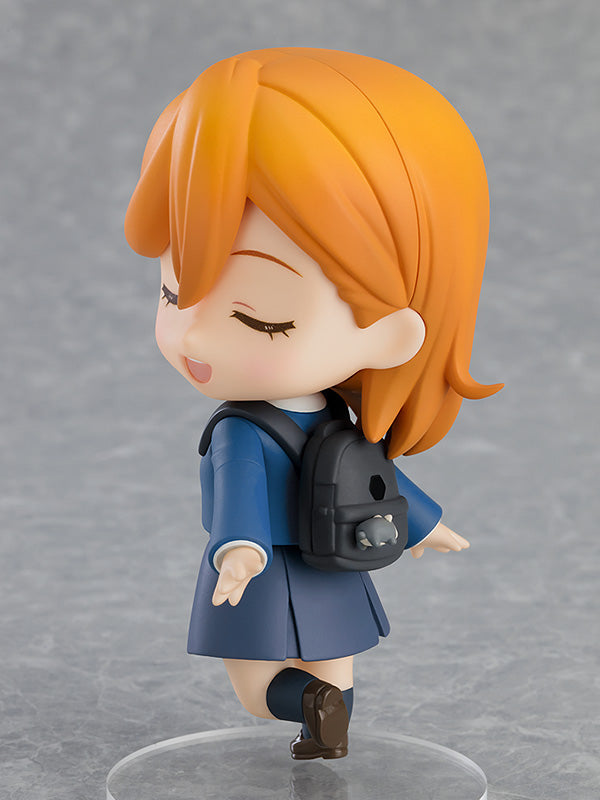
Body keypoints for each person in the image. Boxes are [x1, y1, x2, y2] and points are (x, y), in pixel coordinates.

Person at [124, 47, 502, 759]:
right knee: (337, 658)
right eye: (173, 293)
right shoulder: (333, 419)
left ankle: (308, 707)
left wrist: (238, 551)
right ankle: (328, 724)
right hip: (338, 560)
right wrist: (426, 525)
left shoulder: (243, 428)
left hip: (263, 571)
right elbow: (377, 475)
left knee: (254, 686)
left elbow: (242, 493)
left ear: (391, 335)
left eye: (260, 319)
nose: (191, 334)